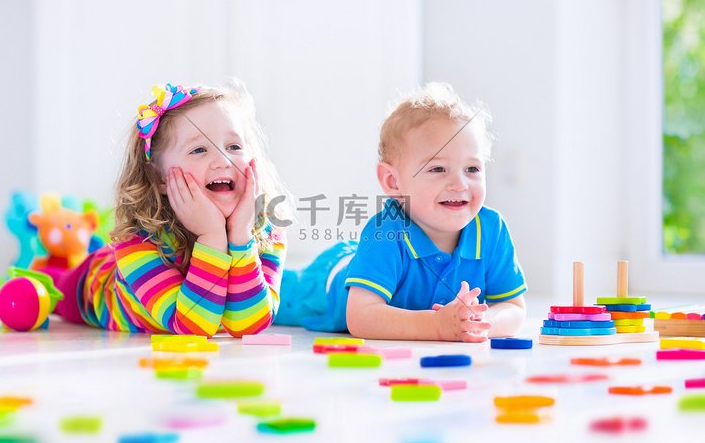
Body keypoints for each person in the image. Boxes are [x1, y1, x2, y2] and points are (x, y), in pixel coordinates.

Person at [276, 82, 526, 342]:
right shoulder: (387, 231)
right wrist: (438, 326)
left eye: (472, 169)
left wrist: (478, 323)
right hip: (328, 281)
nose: (460, 184)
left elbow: (515, 309)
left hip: (366, 259)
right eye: (438, 169)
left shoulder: (492, 230)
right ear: (393, 182)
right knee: (270, 295)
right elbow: (361, 317)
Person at [41, 81, 291, 337]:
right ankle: (36, 274)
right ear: (160, 179)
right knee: (54, 288)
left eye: (234, 147)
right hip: (94, 289)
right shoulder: (137, 242)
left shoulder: (266, 230)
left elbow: (248, 326)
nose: (223, 161)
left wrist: (241, 234)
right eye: (199, 149)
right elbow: (193, 327)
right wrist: (212, 235)